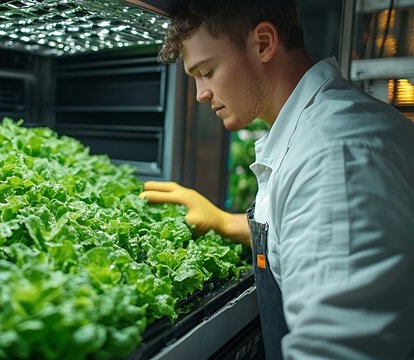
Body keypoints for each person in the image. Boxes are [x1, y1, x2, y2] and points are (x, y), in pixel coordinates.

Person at [139, 1, 414, 359]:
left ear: (264, 43)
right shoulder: (320, 128)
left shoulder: (333, 159)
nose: (200, 94)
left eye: (206, 71)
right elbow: (304, 225)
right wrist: (225, 222)